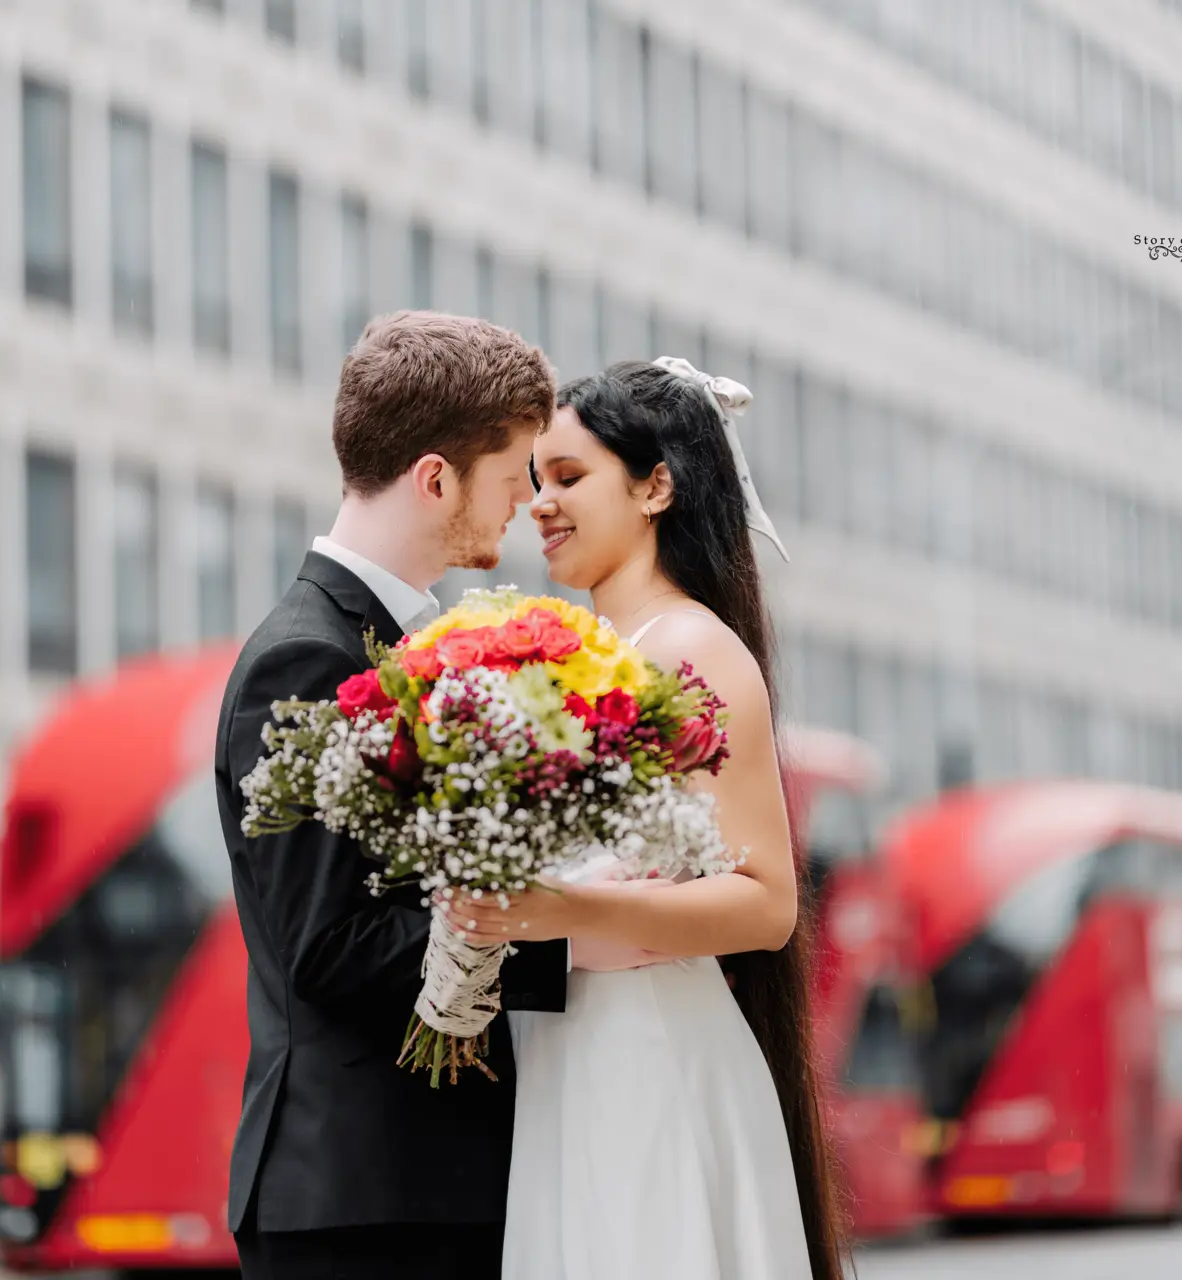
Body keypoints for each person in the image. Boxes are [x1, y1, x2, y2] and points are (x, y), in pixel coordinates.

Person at [445, 358, 847, 1280]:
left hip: (651, 1062)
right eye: (537, 480)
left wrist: (568, 913)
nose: (541, 504)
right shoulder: (588, 657)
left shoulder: (692, 647)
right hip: (574, 1058)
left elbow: (764, 903)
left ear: (656, 484)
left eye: (571, 477)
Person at [214, 311, 572, 1280]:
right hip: (358, 1198)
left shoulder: (417, 645)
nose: (523, 505)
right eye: (513, 476)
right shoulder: (306, 656)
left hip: (413, 1186)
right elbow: (327, 945)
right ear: (434, 477)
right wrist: (566, 937)